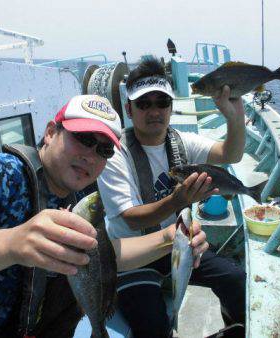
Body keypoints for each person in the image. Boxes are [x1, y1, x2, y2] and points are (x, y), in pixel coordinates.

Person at [0, 94, 208, 337]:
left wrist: (171, 239)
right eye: (83, 139)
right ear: (51, 132)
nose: (91, 156)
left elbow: (101, 256)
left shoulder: (78, 197)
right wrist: (11, 244)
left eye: (103, 150)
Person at [97, 57, 247, 338]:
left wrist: (234, 116)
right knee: (153, 326)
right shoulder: (116, 154)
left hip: (176, 244)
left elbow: (231, 154)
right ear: (129, 109)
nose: (154, 111)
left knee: (236, 280)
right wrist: (177, 201)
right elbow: (129, 220)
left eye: (161, 102)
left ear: (171, 107)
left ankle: (236, 327)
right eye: (144, 104)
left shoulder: (181, 142)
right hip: (134, 255)